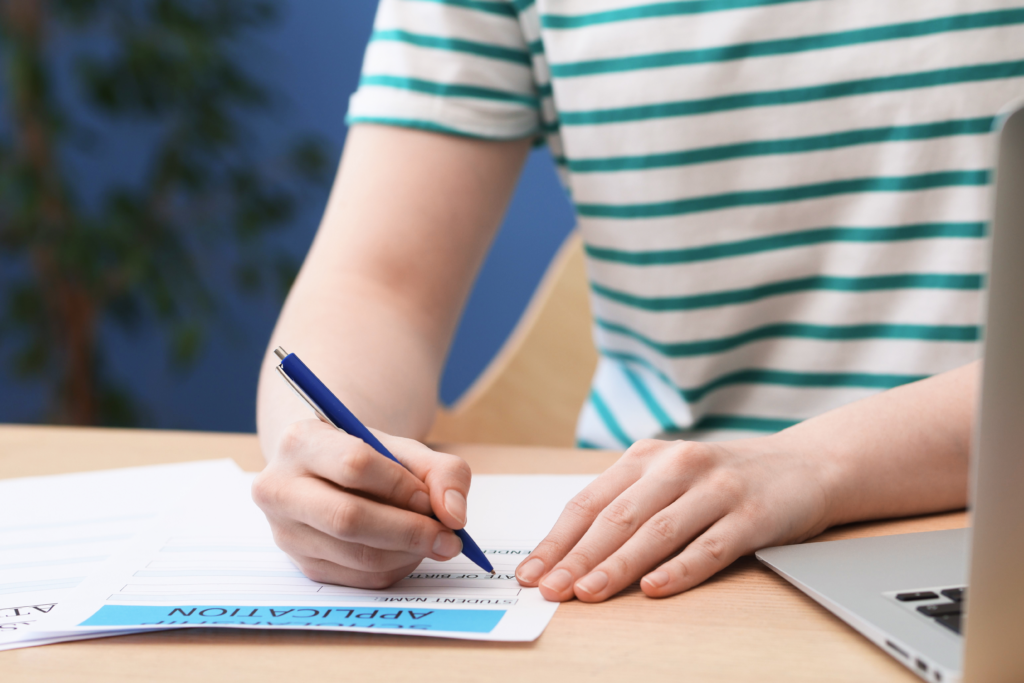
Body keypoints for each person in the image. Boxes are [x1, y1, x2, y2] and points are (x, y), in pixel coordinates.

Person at [252, 0, 1021, 603]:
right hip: (647, 558)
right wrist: (324, 455)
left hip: (984, 532)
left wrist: (815, 463)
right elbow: (377, 286)